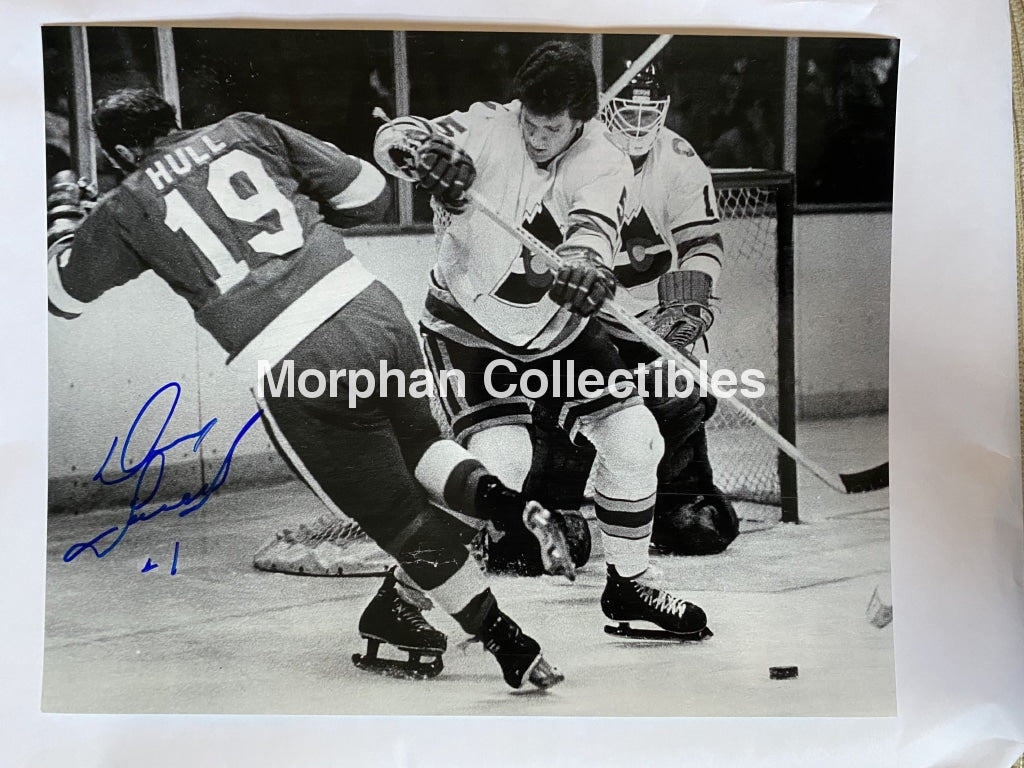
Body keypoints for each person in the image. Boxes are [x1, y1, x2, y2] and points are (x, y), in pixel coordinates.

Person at [45, 86, 572, 690]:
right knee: (423, 445)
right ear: (176, 119)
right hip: (370, 308)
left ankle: (512, 645)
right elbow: (369, 195)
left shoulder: (123, 203)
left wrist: (64, 224)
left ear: (117, 149)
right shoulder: (245, 127)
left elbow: (62, 294)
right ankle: (508, 504)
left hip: (292, 353)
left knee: (397, 516)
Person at [373, 41, 710, 641]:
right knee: (502, 462)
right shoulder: (485, 125)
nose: (535, 135)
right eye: (529, 120)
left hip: (557, 331)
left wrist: (585, 264)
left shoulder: (604, 159)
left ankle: (628, 585)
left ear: (580, 119)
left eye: (550, 127)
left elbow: (593, 226)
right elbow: (396, 137)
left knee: (636, 439)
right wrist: (418, 152)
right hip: (467, 328)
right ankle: (397, 600)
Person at [523, 65, 741, 557]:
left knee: (680, 394)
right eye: (629, 108)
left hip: (650, 317)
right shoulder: (571, 152)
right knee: (569, 399)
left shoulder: (679, 159)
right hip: (575, 316)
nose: (639, 121)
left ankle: (677, 499)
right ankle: (553, 507)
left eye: (650, 111)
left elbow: (702, 241)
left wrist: (688, 298)